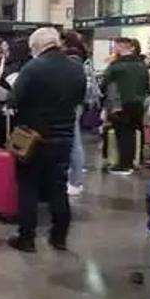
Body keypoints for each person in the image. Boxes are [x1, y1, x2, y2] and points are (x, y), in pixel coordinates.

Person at [7, 27, 87, 253]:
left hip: (33, 137)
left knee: (28, 188)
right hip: (63, 137)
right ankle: (59, 236)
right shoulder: (76, 68)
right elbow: (80, 99)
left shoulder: (33, 68)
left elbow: (14, 99)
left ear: (38, 46)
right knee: (57, 188)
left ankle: (27, 238)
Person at [102, 37, 150, 174]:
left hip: (120, 103)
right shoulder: (142, 65)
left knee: (123, 134)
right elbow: (147, 85)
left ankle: (123, 164)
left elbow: (107, 85)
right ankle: (134, 160)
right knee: (134, 132)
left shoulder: (116, 66)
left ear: (119, 47)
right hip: (138, 103)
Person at [62, 31, 93, 196]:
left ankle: (76, 180)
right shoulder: (80, 58)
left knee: (74, 142)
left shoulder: (71, 59)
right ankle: (75, 176)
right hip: (77, 103)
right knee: (75, 140)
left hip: (72, 104)